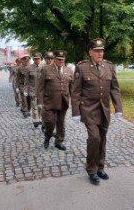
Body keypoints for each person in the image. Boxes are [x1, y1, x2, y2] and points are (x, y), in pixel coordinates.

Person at [71, 38, 123, 185]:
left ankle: (100, 167)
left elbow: (114, 88)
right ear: (90, 52)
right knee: (94, 138)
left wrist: (118, 107)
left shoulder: (109, 67)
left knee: (102, 139)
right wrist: (76, 112)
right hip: (88, 109)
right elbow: (75, 92)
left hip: (104, 110)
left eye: (102, 51)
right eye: (97, 51)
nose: (100, 53)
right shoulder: (82, 67)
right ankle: (91, 170)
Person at [38, 50, 73, 151]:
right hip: (49, 102)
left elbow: (72, 88)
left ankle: (59, 141)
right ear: (54, 59)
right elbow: (40, 87)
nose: (61, 61)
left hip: (63, 102)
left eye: (62, 60)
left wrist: (75, 101)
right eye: (58, 59)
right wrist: (40, 102)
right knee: (50, 122)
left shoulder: (68, 71)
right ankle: (47, 136)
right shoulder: (46, 70)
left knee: (61, 123)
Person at [26, 52, 43, 127]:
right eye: (35, 59)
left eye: (38, 59)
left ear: (41, 59)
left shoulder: (44, 67)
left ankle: (40, 118)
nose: (37, 60)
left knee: (41, 106)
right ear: (33, 59)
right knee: (34, 105)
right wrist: (26, 90)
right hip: (33, 89)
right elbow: (26, 81)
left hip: (42, 91)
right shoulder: (29, 68)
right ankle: (35, 119)